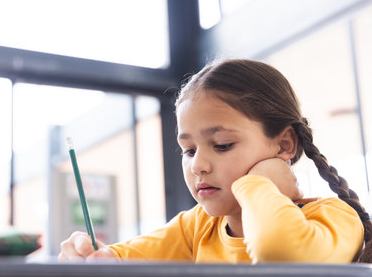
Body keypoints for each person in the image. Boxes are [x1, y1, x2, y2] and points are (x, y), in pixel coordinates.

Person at [59, 59, 371, 263]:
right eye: (189, 150)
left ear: (285, 143)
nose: (197, 165)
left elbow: (280, 251)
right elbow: (119, 262)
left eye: (222, 145)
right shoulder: (195, 227)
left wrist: (259, 183)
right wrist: (84, 256)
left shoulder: (335, 217)